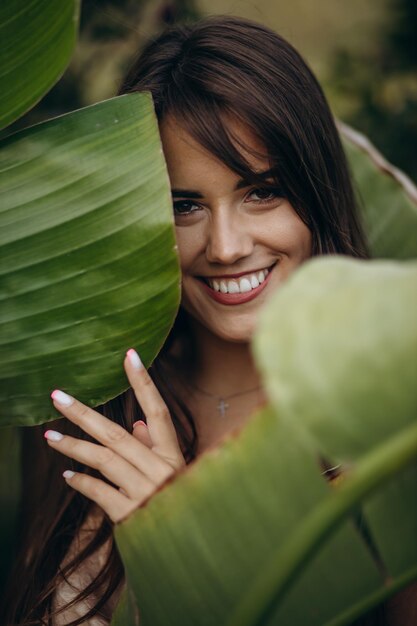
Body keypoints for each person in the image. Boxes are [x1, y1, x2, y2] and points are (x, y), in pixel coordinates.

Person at [4, 14, 412, 626]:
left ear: (317, 193)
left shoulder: (386, 423)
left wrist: (182, 556)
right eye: (184, 205)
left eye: (262, 190)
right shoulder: (94, 408)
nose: (224, 247)